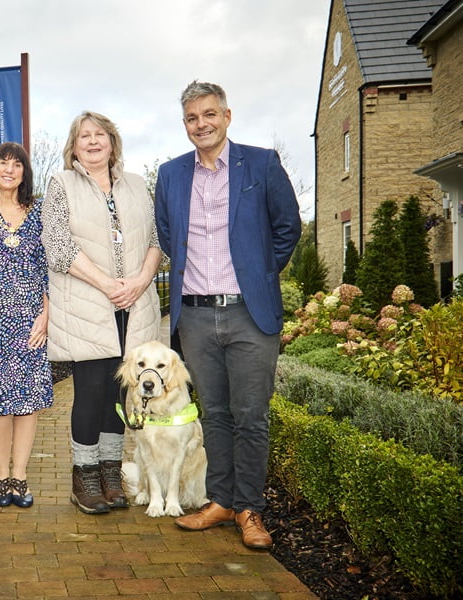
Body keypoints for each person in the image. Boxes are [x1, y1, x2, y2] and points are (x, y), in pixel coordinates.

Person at [154, 81, 301, 550]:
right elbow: (166, 232)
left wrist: (258, 273)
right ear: (185, 125)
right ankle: (220, 501)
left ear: (227, 115)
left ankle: (250, 509)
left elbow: (288, 226)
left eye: (210, 114)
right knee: (214, 414)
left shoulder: (261, 163)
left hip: (248, 315)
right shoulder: (171, 174)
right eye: (193, 118)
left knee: (251, 416)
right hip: (194, 315)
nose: (202, 124)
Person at [42, 111, 164, 515]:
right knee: (90, 394)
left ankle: (112, 472)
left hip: (134, 305)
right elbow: (57, 246)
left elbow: (155, 239)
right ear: (73, 146)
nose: (92, 142)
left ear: (113, 141)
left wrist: (140, 282)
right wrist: (108, 284)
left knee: (121, 392)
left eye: (100, 135)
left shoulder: (136, 185)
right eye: (83, 136)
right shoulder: (62, 184)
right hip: (87, 306)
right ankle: (85, 475)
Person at [0, 142, 53, 509]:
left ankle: (20, 476)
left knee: (28, 403)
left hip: (31, 321)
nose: (9, 169)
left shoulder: (38, 213)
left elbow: (47, 268)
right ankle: (0, 476)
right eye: (3, 163)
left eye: (17, 165)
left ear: (24, 173)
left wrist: (46, 315)